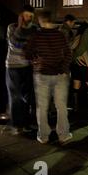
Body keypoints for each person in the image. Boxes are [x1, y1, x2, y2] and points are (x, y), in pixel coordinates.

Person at [25, 10, 72, 144]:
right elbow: (69, 53)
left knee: (42, 107)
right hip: (60, 74)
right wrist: (63, 68)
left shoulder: (36, 36)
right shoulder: (61, 35)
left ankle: (43, 136)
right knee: (61, 106)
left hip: (41, 74)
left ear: (41, 21)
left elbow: (27, 53)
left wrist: (36, 61)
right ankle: (63, 134)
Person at [4, 5, 38, 135]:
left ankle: (26, 122)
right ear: (21, 15)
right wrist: (20, 28)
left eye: (31, 16)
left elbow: (35, 46)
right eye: (26, 15)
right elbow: (13, 44)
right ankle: (17, 124)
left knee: (27, 97)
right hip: (13, 66)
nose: (28, 18)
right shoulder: (12, 27)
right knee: (15, 96)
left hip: (28, 66)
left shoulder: (34, 29)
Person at [70, 21, 88, 114]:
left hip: (75, 65)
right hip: (84, 64)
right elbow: (85, 52)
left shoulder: (77, 37)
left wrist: (75, 57)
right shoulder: (84, 38)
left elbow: (71, 47)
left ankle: (75, 106)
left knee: (76, 86)